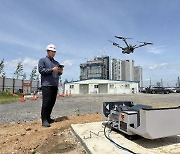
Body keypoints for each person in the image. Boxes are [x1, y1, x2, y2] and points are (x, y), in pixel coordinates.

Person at [38, 44, 63, 127]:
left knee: (52, 102)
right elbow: (41, 70)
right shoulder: (42, 60)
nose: (53, 53)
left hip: (54, 85)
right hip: (46, 85)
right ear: (48, 51)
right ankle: (44, 120)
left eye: (54, 52)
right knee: (46, 103)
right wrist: (52, 70)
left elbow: (57, 74)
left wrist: (60, 72)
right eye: (52, 51)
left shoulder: (56, 63)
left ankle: (48, 118)